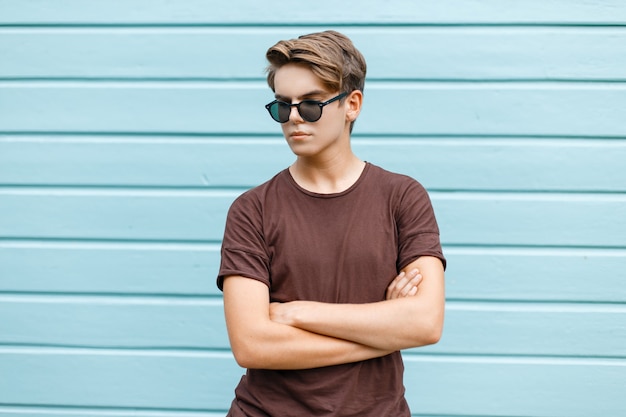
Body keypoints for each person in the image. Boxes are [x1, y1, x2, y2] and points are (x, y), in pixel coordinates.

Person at [217, 30, 446, 417]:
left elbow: (425, 323)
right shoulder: (251, 209)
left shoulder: (403, 197)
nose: (293, 118)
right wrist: (384, 333)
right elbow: (252, 345)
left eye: (310, 105)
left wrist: (297, 312)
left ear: (352, 104)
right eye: (281, 106)